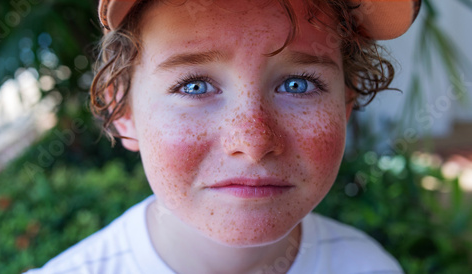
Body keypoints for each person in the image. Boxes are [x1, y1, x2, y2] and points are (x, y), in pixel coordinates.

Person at [26, 0, 421, 273]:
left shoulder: (372, 267)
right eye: (194, 86)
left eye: (299, 84)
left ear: (345, 107)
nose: (252, 141)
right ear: (123, 112)